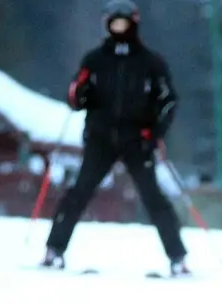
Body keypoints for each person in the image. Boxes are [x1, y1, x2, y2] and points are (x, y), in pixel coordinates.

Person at [42, 0, 191, 277]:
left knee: (153, 197)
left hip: (138, 141)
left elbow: (169, 100)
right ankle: (54, 250)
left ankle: (178, 258)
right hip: (101, 139)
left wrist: (154, 131)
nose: (119, 28)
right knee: (79, 193)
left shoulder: (150, 62)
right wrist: (80, 88)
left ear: (133, 24)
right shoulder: (95, 60)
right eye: (114, 23)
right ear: (106, 25)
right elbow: (76, 99)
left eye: (123, 23)